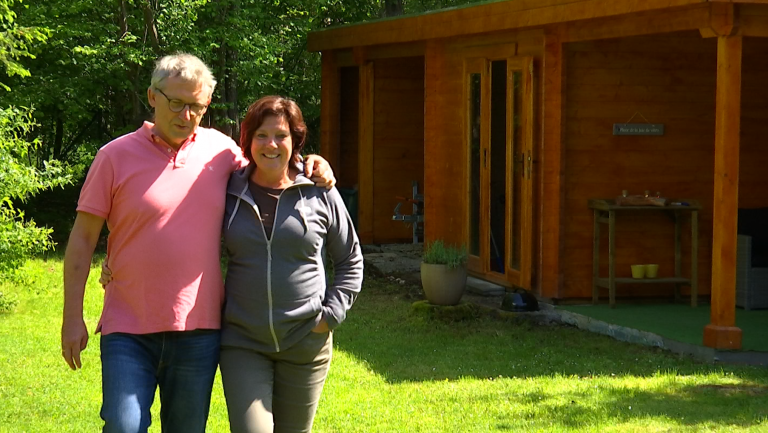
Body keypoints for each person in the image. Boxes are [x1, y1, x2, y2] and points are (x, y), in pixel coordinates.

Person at [60, 53, 335, 433]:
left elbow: (270, 164)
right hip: (127, 329)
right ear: (152, 96)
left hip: (198, 331)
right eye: (177, 102)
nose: (186, 115)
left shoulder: (221, 152)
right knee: (123, 426)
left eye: (197, 107)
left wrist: (312, 163)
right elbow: (82, 240)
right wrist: (72, 317)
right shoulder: (114, 156)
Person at [219, 95, 363, 433]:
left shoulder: (319, 190)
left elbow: (350, 259)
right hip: (243, 342)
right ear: (248, 141)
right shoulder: (227, 188)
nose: (271, 144)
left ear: (295, 141)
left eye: (281, 135)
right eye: (261, 135)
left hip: (306, 343)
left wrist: (329, 317)